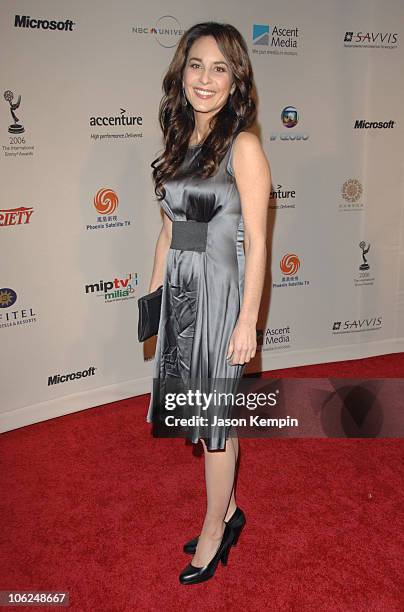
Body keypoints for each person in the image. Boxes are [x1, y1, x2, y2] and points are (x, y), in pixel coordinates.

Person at [146, 22, 271, 584]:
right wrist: (154, 300)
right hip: (181, 292)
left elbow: (259, 242)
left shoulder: (242, 145)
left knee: (214, 419)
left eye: (220, 68)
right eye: (197, 64)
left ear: (234, 80)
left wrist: (248, 320)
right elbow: (169, 232)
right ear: (182, 71)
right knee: (206, 413)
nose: (205, 78)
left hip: (220, 294)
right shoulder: (180, 140)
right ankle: (232, 507)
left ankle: (215, 530)